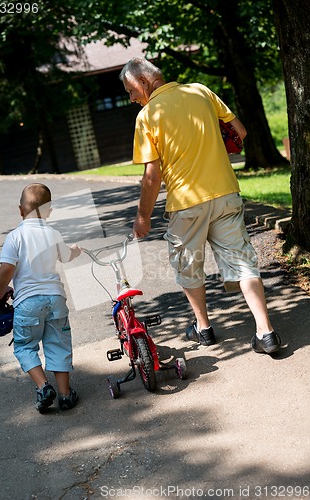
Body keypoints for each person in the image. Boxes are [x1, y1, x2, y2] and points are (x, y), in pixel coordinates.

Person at [120, 56, 281, 355]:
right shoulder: (201, 91)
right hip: (225, 193)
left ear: (142, 81)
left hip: (186, 204)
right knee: (242, 262)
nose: (131, 99)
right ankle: (266, 332)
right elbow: (241, 133)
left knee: (188, 265)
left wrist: (142, 216)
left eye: (130, 91)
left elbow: (152, 175)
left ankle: (203, 328)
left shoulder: (148, 116)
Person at [0, 183, 82, 413]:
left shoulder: (15, 236)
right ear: (49, 211)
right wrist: (75, 249)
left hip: (27, 302)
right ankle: (65, 395)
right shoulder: (53, 234)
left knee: (25, 345)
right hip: (55, 299)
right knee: (58, 344)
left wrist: (1, 289)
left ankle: (44, 387)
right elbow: (67, 255)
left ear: (20, 210)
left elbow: (7, 267)